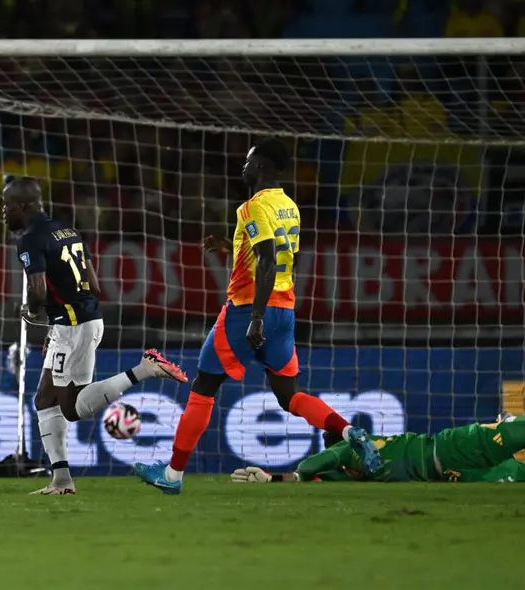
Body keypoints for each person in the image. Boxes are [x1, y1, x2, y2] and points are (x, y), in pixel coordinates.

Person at [133, 138, 382, 495]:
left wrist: (256, 317)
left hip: (249, 309)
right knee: (289, 395)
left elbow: (266, 258)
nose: (243, 166)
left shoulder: (251, 207)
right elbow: (275, 252)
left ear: (262, 167)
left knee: (203, 387)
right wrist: (228, 246)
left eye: (249, 161)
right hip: (285, 309)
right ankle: (347, 431)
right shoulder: (289, 205)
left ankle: (172, 475)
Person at [2, 176, 189, 495]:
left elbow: (36, 291)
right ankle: (61, 480)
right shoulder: (68, 230)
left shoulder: (31, 238)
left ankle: (144, 369)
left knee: (71, 408)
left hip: (74, 326)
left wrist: (33, 311)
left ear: (23, 205)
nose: (3, 212)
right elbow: (91, 280)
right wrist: (55, 325)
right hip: (79, 320)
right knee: (45, 400)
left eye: (7, 205)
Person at [232, 413, 525, 483]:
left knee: (512, 431)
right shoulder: (345, 476)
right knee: (515, 476)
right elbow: (311, 479)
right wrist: (272, 479)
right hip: (454, 474)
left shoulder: (350, 452)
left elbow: (309, 469)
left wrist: (292, 476)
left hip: (449, 450)